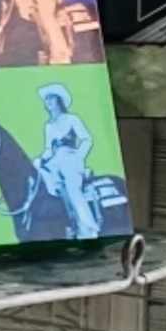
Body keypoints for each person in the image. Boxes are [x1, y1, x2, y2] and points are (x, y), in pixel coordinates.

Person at [36, 81, 103, 238]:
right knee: (37, 173)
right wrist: (41, 159)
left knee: (73, 188)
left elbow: (87, 139)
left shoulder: (72, 119)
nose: (49, 102)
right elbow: (48, 149)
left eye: (52, 99)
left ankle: (88, 228)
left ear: (59, 101)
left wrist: (79, 156)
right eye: (47, 100)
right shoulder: (48, 126)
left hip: (71, 158)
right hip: (55, 160)